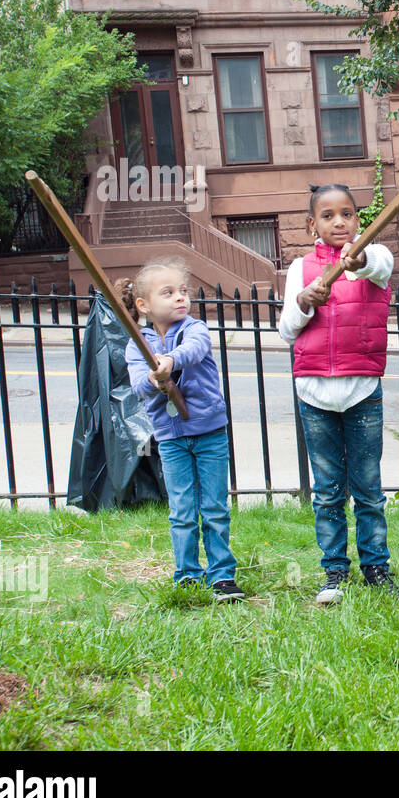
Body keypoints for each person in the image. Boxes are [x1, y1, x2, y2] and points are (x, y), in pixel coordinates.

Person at [278, 184, 399, 604]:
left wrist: (362, 255)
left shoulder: (377, 258)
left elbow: (379, 265)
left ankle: (376, 569)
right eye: (329, 215)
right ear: (311, 224)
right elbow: (286, 331)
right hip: (314, 393)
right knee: (328, 490)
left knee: (368, 488)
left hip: (362, 389)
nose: (339, 222)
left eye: (348, 214)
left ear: (359, 219)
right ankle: (334, 572)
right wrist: (303, 301)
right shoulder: (300, 268)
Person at [120, 258, 243, 602]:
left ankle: (221, 575)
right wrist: (153, 379)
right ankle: (187, 574)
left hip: (209, 432)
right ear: (143, 305)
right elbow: (137, 386)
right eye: (168, 292)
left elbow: (194, 350)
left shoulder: (194, 328)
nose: (180, 298)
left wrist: (169, 362)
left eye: (183, 291)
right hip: (171, 437)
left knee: (215, 507)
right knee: (182, 510)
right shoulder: (137, 344)